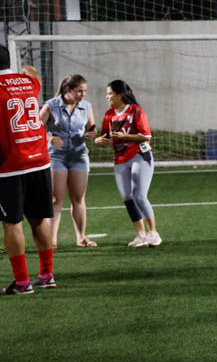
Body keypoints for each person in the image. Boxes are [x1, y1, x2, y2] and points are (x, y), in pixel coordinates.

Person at [0, 44, 56, 295]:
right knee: (38, 218)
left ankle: (22, 282)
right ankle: (46, 275)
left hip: (10, 165)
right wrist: (23, 69)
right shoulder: (29, 82)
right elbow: (32, 72)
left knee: (12, 224)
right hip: (39, 160)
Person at [94, 80, 161, 247]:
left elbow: (146, 136)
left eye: (110, 94)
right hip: (120, 158)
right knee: (127, 197)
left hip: (140, 155)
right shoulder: (109, 114)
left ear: (120, 95)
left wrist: (125, 137)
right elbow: (104, 136)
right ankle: (141, 235)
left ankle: (154, 233)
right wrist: (98, 141)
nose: (107, 97)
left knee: (139, 195)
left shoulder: (135, 111)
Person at [39, 74, 97, 248]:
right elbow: (35, 127)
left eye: (84, 91)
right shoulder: (51, 105)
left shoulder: (86, 106)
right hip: (56, 157)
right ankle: (52, 240)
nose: (83, 94)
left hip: (79, 156)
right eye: (79, 91)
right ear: (68, 90)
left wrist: (92, 133)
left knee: (78, 198)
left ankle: (81, 237)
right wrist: (50, 139)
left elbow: (92, 128)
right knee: (56, 199)